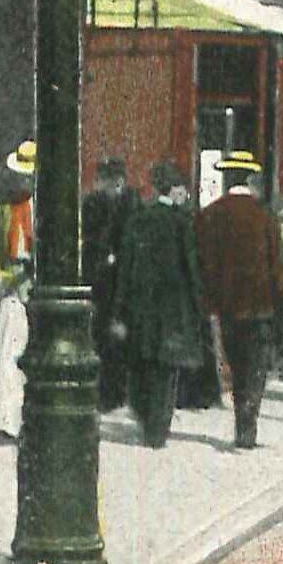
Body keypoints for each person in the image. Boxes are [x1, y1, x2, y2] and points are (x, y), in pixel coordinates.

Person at [195, 150, 283, 450]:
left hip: (227, 307)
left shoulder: (209, 215)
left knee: (236, 365)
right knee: (256, 367)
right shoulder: (265, 217)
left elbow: (204, 265)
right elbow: (276, 266)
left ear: (227, 178)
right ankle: (248, 426)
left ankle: (241, 420)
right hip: (261, 306)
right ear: (251, 179)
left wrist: (209, 303)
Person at [108, 161, 206, 448]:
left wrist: (119, 309)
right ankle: (157, 430)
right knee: (166, 371)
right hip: (174, 309)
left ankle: (145, 417)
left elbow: (124, 269)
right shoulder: (181, 222)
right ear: (174, 188)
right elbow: (191, 267)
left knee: (143, 363)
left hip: (141, 307)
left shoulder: (138, 220)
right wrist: (199, 305)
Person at [0, 142, 38, 439]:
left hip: (39, 291)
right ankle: (5, 421)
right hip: (12, 288)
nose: (22, 181)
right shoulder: (4, 208)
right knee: (7, 352)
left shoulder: (45, 209)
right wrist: (0, 278)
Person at [82, 156, 139, 413]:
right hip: (100, 280)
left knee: (117, 340)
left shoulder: (130, 205)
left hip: (121, 280)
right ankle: (107, 393)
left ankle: (116, 393)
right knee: (103, 339)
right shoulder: (94, 203)